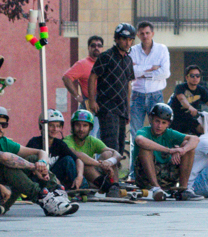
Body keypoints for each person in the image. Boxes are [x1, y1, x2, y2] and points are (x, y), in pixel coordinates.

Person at [0, 106, 78, 215]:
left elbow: (41, 152)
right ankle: (42, 198)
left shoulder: (3, 141)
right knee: (8, 165)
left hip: (3, 191)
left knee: (34, 159)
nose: (0, 128)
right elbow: (4, 158)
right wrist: (33, 167)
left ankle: (56, 192)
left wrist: (42, 163)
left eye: (4, 125)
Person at [133, 102, 201, 201]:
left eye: (163, 123)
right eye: (157, 121)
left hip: (167, 176)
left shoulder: (169, 133)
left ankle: (183, 189)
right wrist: (169, 150)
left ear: (168, 124)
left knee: (188, 145)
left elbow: (195, 139)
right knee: (145, 148)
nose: (159, 126)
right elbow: (140, 140)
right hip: (146, 178)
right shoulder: (144, 131)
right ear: (151, 119)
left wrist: (182, 150)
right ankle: (156, 188)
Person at [89, 23, 136, 157]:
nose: (127, 43)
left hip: (121, 109)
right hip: (107, 108)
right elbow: (93, 77)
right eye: (124, 39)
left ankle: (113, 177)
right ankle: (108, 177)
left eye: (130, 40)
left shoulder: (128, 60)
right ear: (116, 39)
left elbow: (128, 85)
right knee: (110, 147)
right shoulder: (106, 56)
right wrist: (92, 101)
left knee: (120, 148)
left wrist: (128, 110)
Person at [129, 21, 170, 137]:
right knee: (135, 132)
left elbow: (165, 73)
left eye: (147, 33)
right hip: (137, 96)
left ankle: (156, 155)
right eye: (142, 33)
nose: (145, 36)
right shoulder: (132, 51)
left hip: (155, 95)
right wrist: (152, 68)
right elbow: (130, 72)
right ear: (138, 35)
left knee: (159, 131)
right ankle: (136, 155)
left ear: (152, 33)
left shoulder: (162, 49)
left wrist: (141, 72)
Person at [66, 109, 121, 193]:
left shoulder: (92, 140)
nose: (81, 129)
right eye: (78, 125)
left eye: (85, 125)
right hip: (75, 176)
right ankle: (106, 187)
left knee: (108, 154)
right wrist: (100, 165)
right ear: (73, 126)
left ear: (90, 128)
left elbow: (116, 154)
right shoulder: (67, 140)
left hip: (92, 176)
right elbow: (78, 155)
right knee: (84, 164)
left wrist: (109, 162)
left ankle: (115, 186)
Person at [26, 110, 80, 190]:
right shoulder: (34, 142)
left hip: (55, 177)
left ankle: (77, 189)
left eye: (58, 126)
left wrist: (79, 176)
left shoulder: (60, 144)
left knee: (68, 160)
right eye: (51, 125)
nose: (55, 129)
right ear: (42, 126)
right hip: (39, 177)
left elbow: (78, 160)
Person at [62, 35, 104, 134]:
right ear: (88, 47)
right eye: (93, 45)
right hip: (89, 104)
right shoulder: (82, 64)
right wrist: (77, 97)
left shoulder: (104, 63)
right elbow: (66, 77)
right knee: (89, 136)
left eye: (99, 45)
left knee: (100, 139)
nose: (96, 48)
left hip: (103, 104)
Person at [171, 65, 208, 136]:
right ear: (186, 77)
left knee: (203, 130)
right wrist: (190, 107)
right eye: (192, 76)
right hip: (176, 119)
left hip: (190, 119)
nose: (195, 78)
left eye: (197, 76)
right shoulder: (180, 87)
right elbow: (182, 99)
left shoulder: (201, 90)